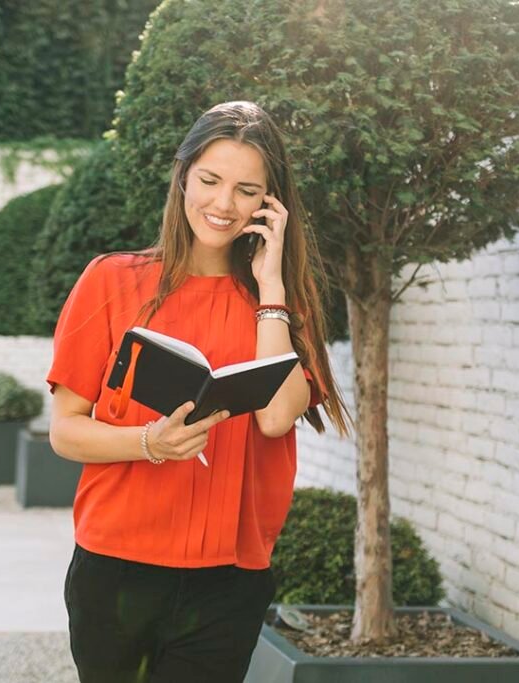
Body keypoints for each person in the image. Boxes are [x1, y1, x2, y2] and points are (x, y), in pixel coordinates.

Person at [45, 100, 352, 683]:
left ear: (270, 202)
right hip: (118, 566)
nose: (222, 204)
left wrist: (270, 285)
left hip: (228, 578)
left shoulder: (282, 305)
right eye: (209, 181)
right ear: (182, 174)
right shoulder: (111, 281)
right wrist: (149, 442)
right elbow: (65, 430)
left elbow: (275, 417)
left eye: (246, 190)